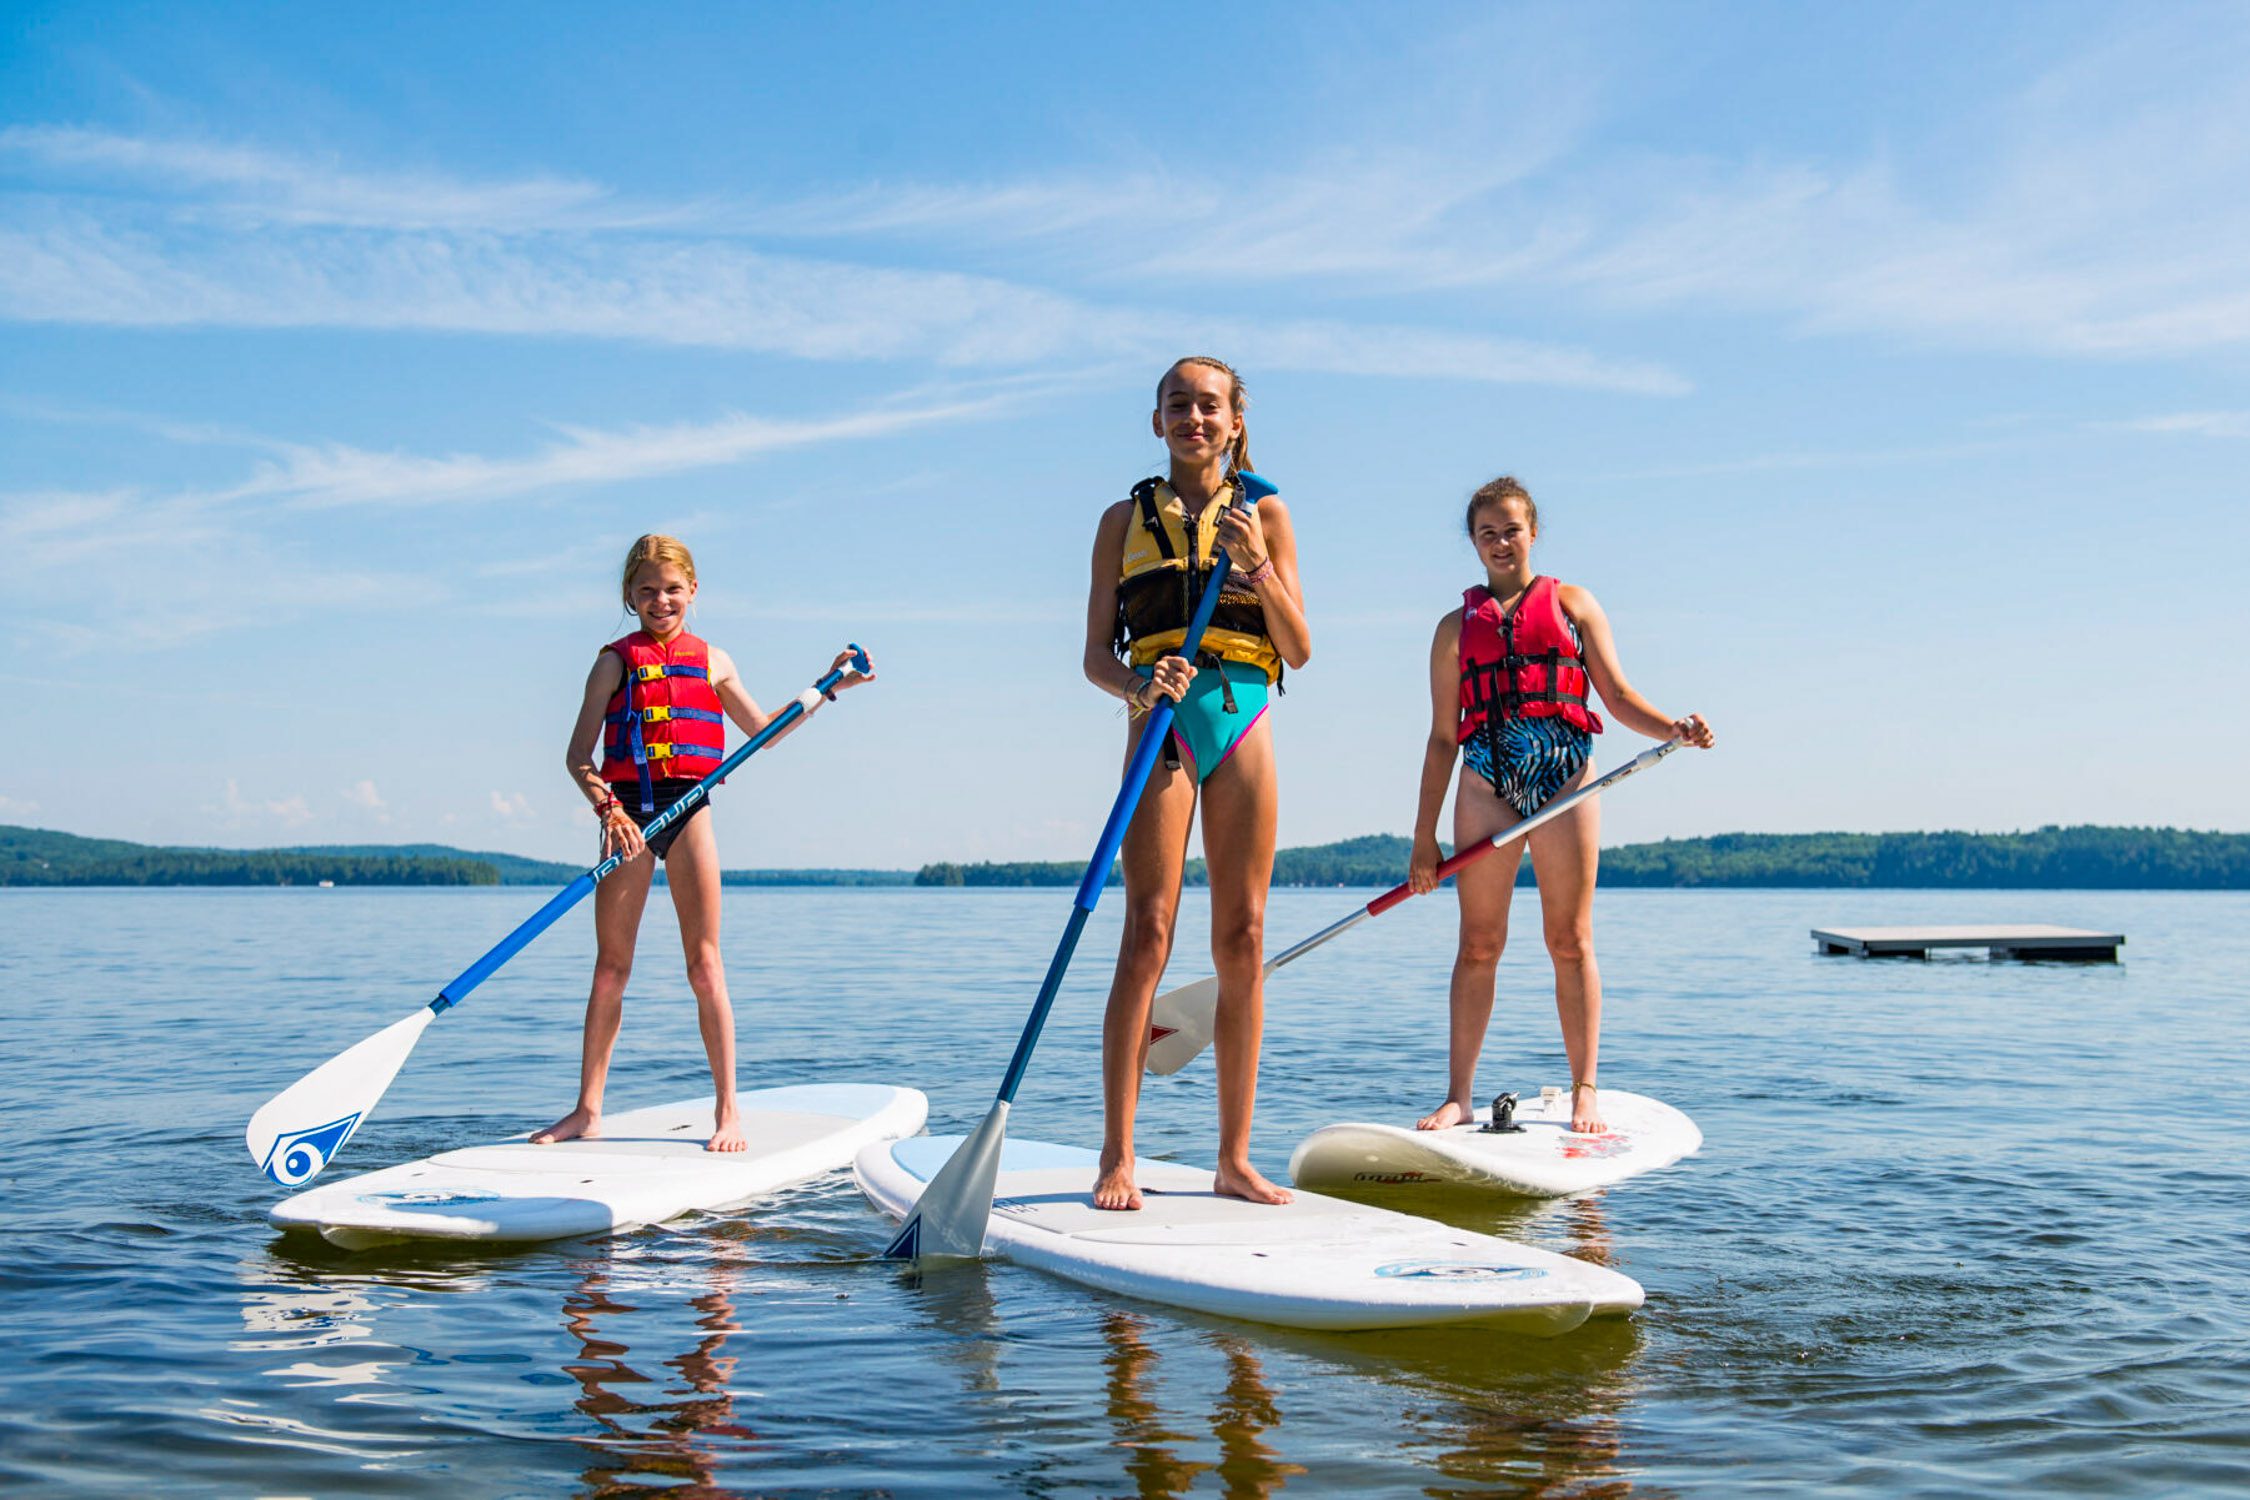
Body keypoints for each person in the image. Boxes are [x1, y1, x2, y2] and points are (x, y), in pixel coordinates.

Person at [536, 533, 868, 1152]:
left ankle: (728, 1112)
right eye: (646, 592)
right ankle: (587, 1109)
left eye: (671, 590)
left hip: (689, 812)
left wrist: (826, 689)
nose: (660, 602)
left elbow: (765, 733)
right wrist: (609, 808)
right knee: (611, 970)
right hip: (629, 817)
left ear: (692, 591)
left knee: (705, 964)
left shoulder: (714, 660)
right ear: (629, 597)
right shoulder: (612, 662)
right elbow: (577, 757)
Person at [1407, 477, 1713, 1135]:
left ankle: (1584, 1091)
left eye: (1510, 529)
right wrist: (1422, 839)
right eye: (1486, 532)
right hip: (1485, 787)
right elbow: (1440, 737)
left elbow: (1618, 695)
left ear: (1533, 532)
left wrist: (1673, 730)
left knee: (1568, 941)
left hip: (1566, 784)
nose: (1499, 542)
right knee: (1479, 943)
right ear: (1472, 542)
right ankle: (1459, 1095)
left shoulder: (1573, 604)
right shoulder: (1453, 629)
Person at [1081, 357, 1312, 1210]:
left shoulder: (1268, 514)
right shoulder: (1120, 519)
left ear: (1235, 421)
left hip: (1242, 714)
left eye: (1209, 406)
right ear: (1157, 422)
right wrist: (1139, 686)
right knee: (1147, 930)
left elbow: (1298, 648)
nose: (1194, 418)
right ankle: (1117, 1155)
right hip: (1162, 719)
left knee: (1244, 936)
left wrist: (1255, 569)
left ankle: (1235, 1158)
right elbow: (1095, 656)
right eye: (1178, 404)